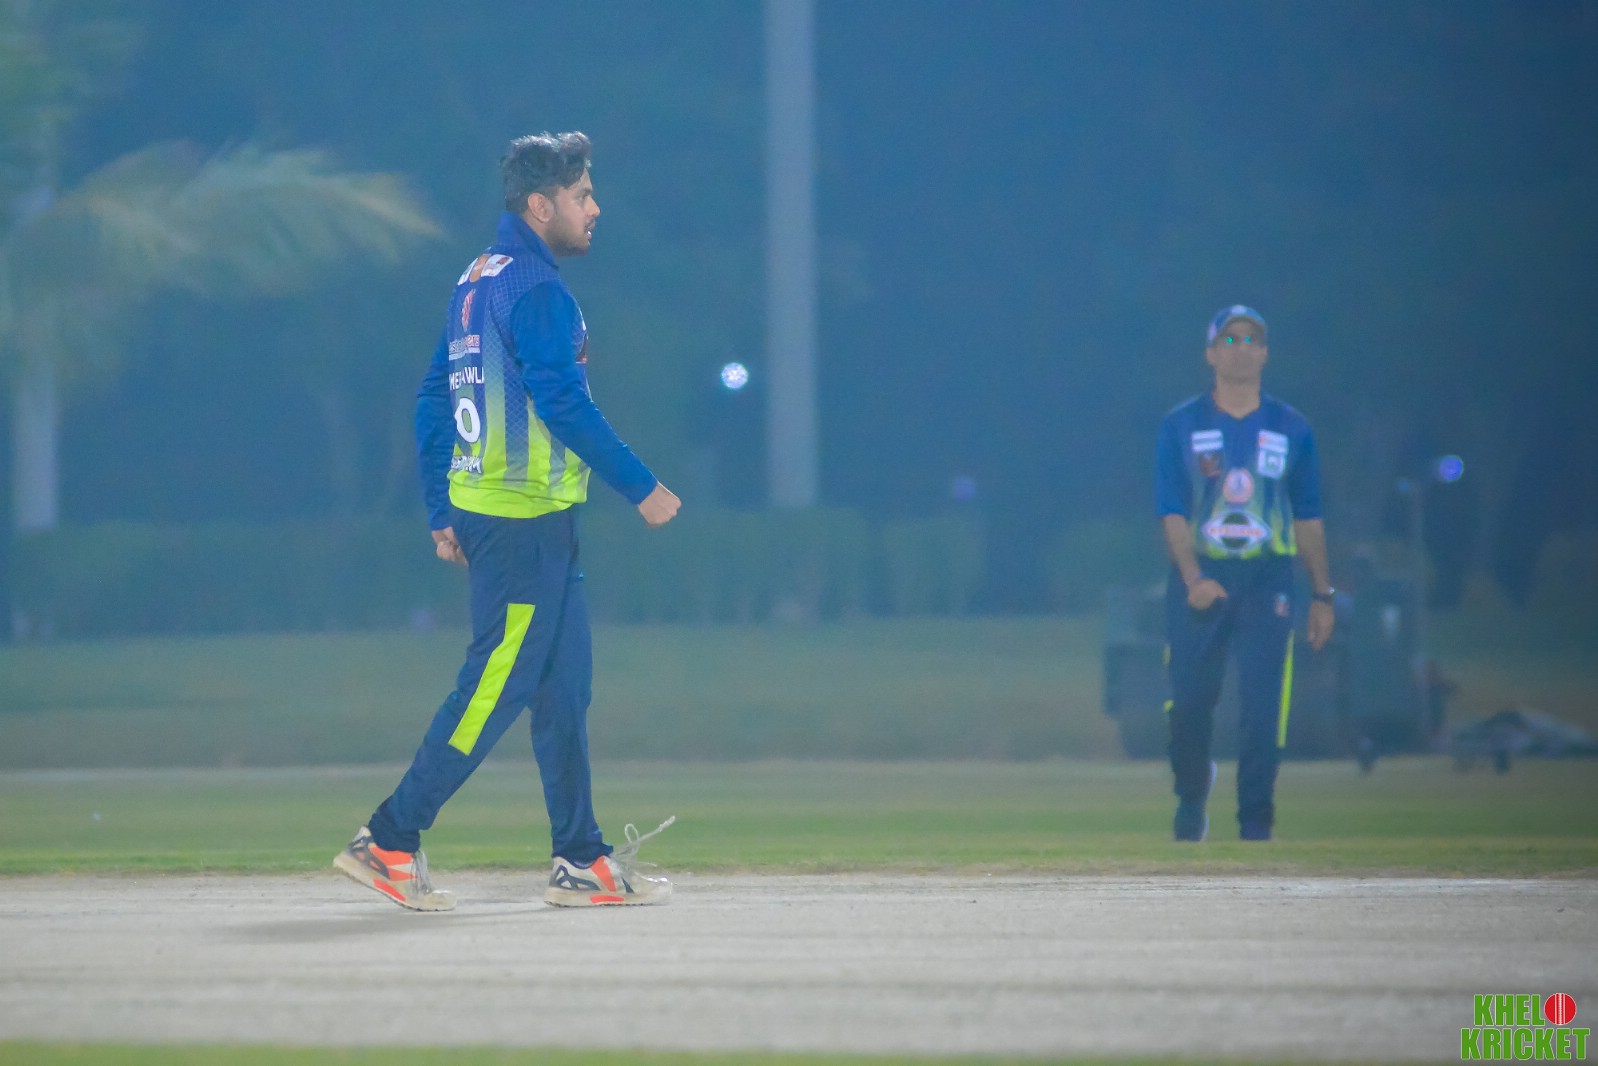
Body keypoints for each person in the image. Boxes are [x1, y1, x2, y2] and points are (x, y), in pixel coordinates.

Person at [334, 131, 682, 910]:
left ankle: (580, 860)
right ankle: (390, 838)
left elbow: (433, 397)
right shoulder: (536, 291)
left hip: (520, 522)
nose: (595, 208)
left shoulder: (475, 281)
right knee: (494, 686)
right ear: (539, 206)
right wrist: (642, 486)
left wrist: (440, 508)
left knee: (564, 691)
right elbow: (562, 403)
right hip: (520, 527)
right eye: (582, 195)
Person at [1154, 305, 1335, 842]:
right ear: (1210, 354)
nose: (1241, 349)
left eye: (1251, 340)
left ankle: (1256, 822)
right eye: (1229, 340)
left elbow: (1308, 516)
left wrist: (1322, 594)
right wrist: (1193, 579)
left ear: (1265, 353)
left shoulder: (1291, 428)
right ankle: (1192, 792)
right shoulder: (1181, 425)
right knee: (1190, 703)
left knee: (1262, 706)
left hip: (1267, 578)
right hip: (1201, 576)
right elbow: (1171, 511)